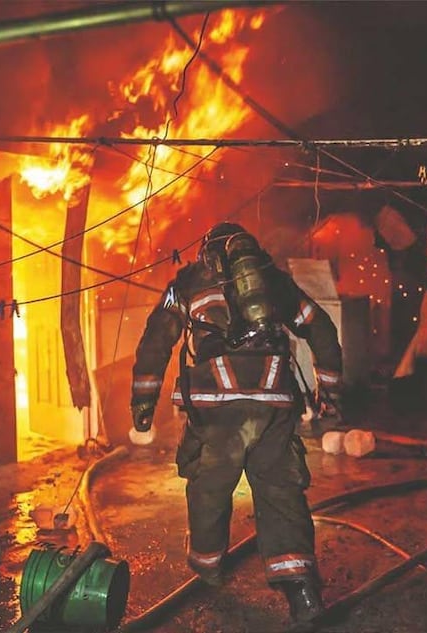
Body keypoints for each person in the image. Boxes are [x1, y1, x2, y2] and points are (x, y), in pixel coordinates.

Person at [130, 222, 343, 628]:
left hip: (217, 407)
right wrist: (330, 391)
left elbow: (157, 340)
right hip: (273, 401)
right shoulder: (274, 282)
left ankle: (209, 567)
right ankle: (302, 591)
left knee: (210, 485)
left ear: (206, 251)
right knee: (281, 490)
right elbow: (322, 328)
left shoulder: (187, 282)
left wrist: (142, 401)